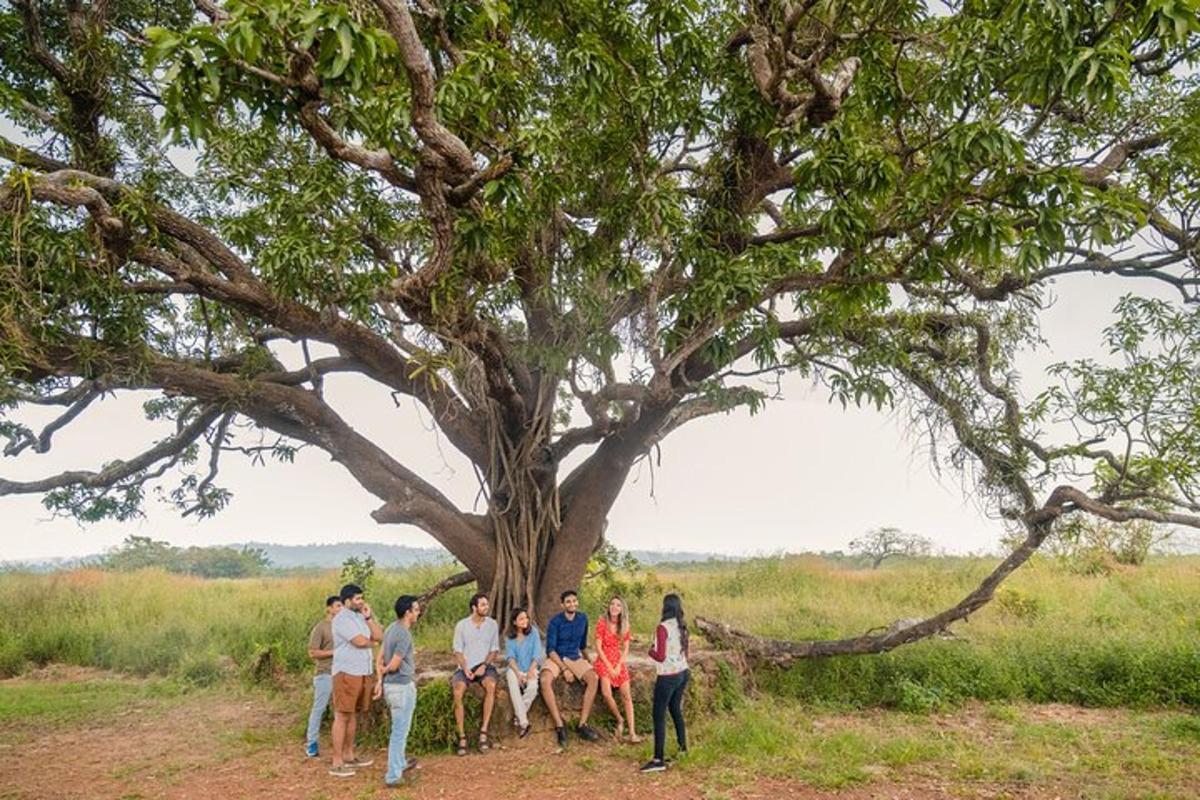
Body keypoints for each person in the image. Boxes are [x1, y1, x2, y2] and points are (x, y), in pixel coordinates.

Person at [329, 582, 383, 778]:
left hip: (363, 671)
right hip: (346, 672)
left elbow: (379, 635)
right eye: (357, 599)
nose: (361, 602)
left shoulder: (361, 616)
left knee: (354, 714)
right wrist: (372, 643)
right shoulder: (341, 619)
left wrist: (369, 617)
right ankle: (336, 760)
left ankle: (349, 755)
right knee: (342, 714)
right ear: (347, 601)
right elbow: (359, 642)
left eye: (361, 598)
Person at [541, 589, 600, 748]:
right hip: (557, 657)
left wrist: (590, 661)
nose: (572, 604)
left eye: (574, 601)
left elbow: (582, 646)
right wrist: (564, 668)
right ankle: (560, 725)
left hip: (574, 656)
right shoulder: (555, 622)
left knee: (594, 678)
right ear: (562, 605)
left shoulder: (583, 619)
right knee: (545, 680)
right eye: (568, 602)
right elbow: (550, 650)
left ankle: (582, 724)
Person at [375, 595, 421, 787]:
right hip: (401, 686)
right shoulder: (404, 634)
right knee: (399, 732)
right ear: (407, 612)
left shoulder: (390, 629)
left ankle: (400, 763)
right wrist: (386, 670)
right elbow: (393, 663)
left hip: (391, 687)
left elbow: (379, 658)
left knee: (400, 729)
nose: (418, 613)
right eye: (416, 609)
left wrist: (380, 679)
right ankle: (393, 775)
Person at [640, 593, 690, 773]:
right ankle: (683, 748)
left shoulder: (662, 628)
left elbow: (660, 656)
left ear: (665, 607)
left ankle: (658, 759)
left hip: (667, 676)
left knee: (659, 716)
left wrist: (649, 651)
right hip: (683, 673)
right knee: (676, 710)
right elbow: (686, 651)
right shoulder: (682, 626)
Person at [451, 592, 500, 755]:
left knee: (491, 686)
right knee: (458, 691)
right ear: (474, 607)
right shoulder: (462, 625)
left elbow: (494, 650)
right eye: (483, 605)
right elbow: (457, 651)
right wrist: (465, 669)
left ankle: (483, 733)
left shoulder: (492, 624)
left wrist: (484, 666)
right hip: (465, 666)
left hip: (485, 666)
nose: (486, 607)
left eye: (487, 604)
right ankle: (462, 736)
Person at [594, 595, 642, 743]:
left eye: (618, 605)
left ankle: (632, 732)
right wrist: (609, 665)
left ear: (622, 609)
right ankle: (619, 719)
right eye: (612, 604)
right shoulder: (602, 622)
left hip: (618, 660)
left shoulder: (625, 625)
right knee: (606, 693)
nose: (614, 607)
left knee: (626, 696)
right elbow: (597, 646)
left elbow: (626, 649)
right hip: (604, 659)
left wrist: (619, 665)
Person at [304, 594, 342, 758]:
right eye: (338, 606)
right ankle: (311, 742)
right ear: (329, 608)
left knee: (340, 711)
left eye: (342, 606)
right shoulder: (321, 627)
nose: (341, 609)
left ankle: (340, 745)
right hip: (325, 674)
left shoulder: (344, 627)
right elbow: (312, 652)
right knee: (319, 708)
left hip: (342, 674)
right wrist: (333, 652)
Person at [504, 607, 544, 738]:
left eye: (526, 617)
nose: (525, 620)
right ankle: (524, 723)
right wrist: (518, 673)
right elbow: (510, 657)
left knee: (533, 688)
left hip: (531, 667)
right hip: (515, 668)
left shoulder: (534, 633)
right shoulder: (509, 637)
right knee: (512, 682)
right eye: (521, 618)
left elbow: (537, 654)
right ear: (514, 622)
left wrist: (531, 670)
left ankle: (518, 716)